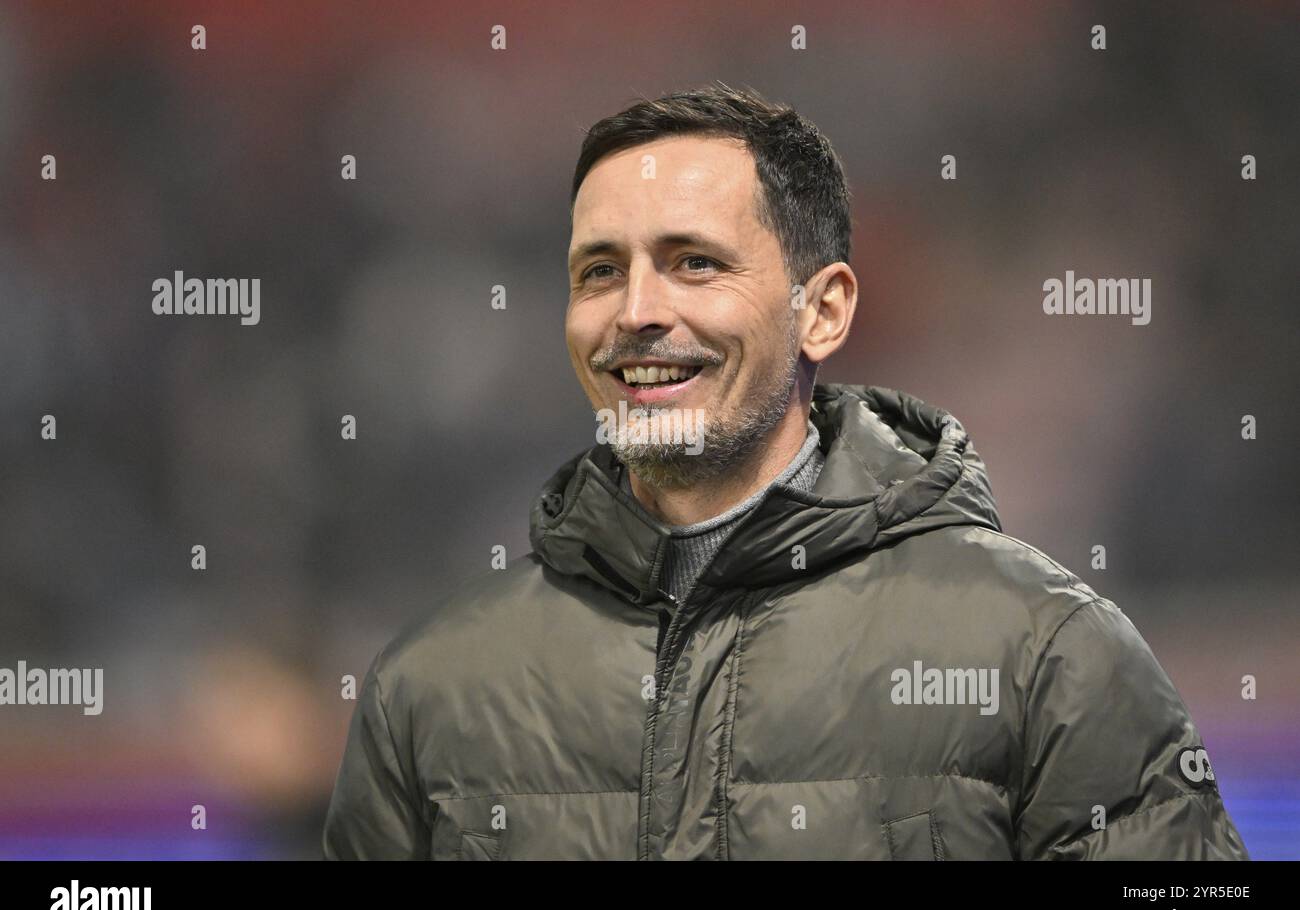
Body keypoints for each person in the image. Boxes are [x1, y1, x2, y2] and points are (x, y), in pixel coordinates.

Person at [322, 81, 1249, 860]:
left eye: (694, 263)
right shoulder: (428, 690)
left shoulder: (1050, 657)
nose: (637, 310)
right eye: (600, 272)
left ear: (825, 311)